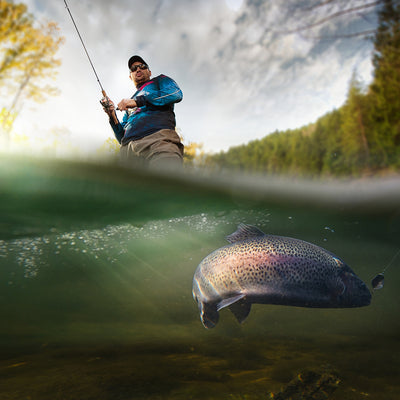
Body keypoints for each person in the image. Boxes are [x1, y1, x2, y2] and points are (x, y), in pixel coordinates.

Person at [101, 55, 184, 167]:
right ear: (130, 77)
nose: (138, 69)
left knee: (166, 180)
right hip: (127, 152)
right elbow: (121, 137)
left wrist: (138, 101)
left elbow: (175, 94)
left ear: (149, 72)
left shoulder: (160, 80)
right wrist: (112, 115)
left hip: (157, 140)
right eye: (133, 69)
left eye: (142, 66)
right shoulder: (130, 103)